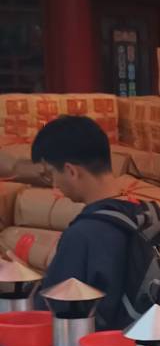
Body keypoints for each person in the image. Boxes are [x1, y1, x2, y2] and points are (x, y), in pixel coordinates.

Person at [30, 115, 140, 330]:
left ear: (71, 171)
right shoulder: (150, 216)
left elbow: (50, 310)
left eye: (51, 174)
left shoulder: (84, 234)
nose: (54, 184)